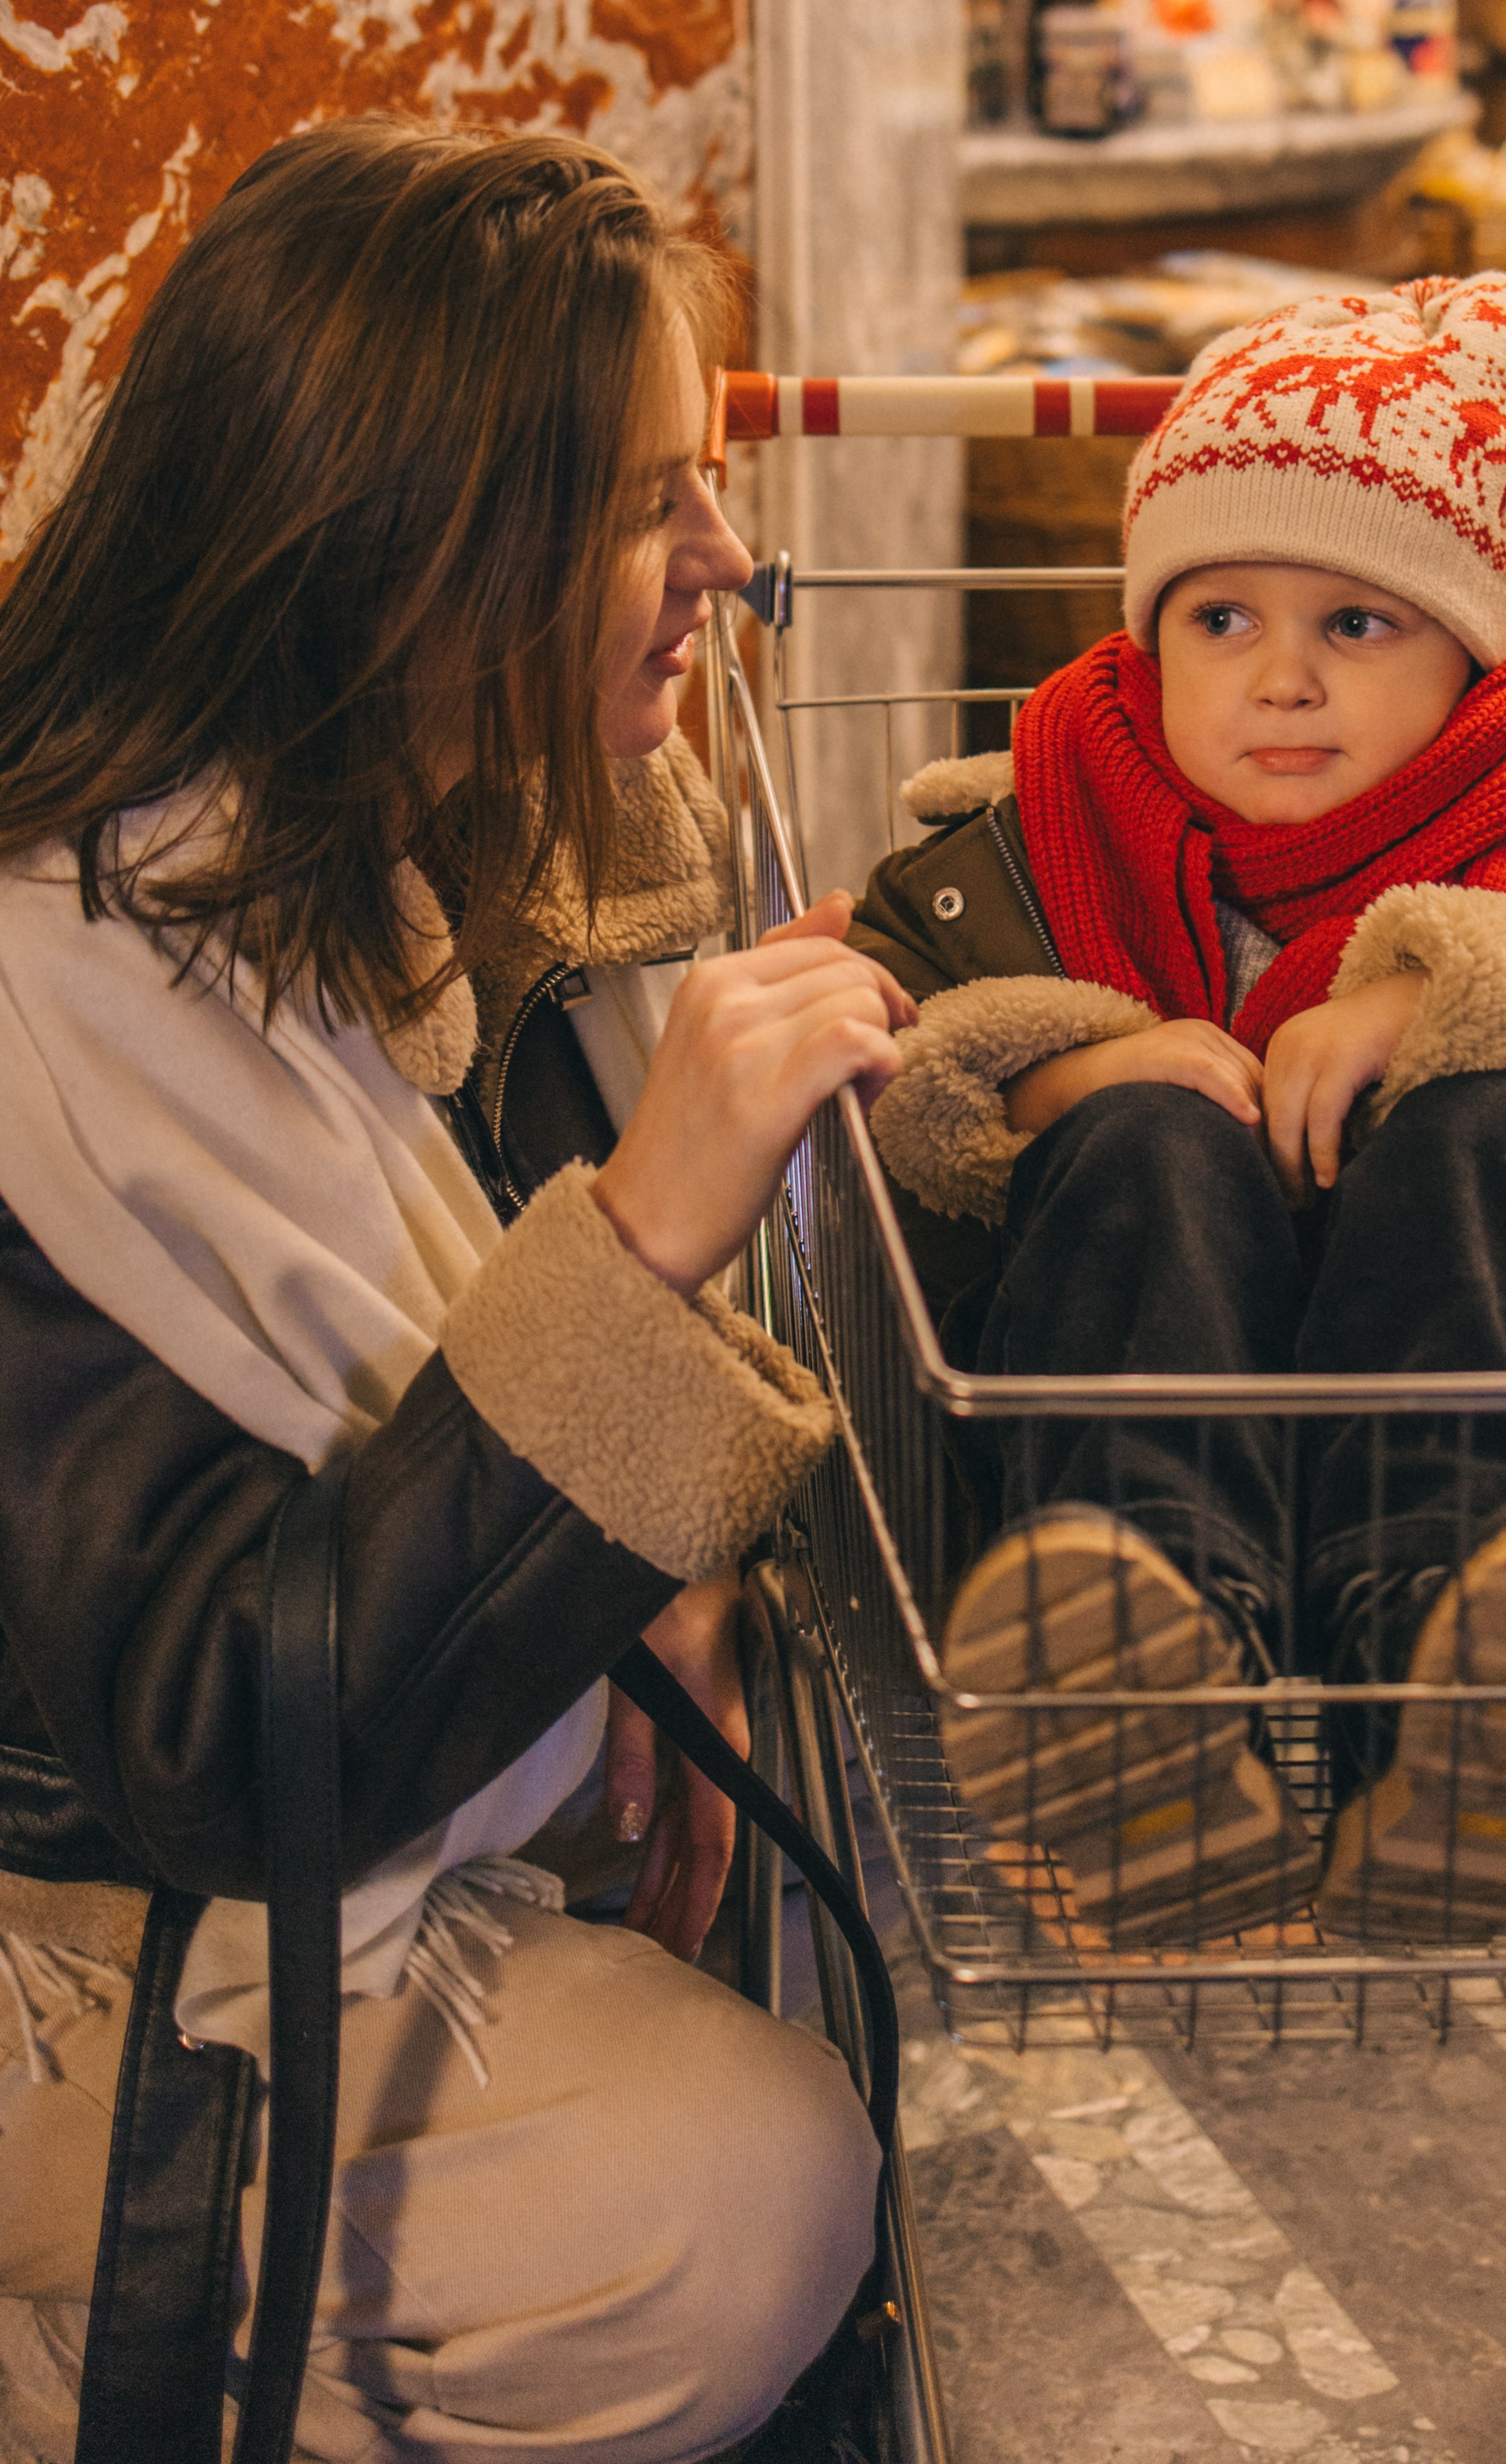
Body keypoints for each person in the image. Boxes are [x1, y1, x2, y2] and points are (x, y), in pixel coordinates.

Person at [0, 118, 918, 2463]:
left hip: (294, 1871)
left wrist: (662, 1580)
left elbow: (431, 1388)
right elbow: (219, 1741)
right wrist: (650, 1227)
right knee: (750, 2189)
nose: (718, 561)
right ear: (406, 547)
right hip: (88, 1933)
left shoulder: (349, 875)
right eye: (640, 503)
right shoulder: (46, 1015)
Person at [849, 272, 1506, 1951]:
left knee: (1489, 1128)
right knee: (1148, 1142)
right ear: (1151, 636)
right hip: (1133, 1464)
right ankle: (1142, 1707)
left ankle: (1463, 1710)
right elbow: (874, 1068)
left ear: (1474, 653)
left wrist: (1466, 991)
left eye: (1356, 623)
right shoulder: (1010, 851)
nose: (1280, 680)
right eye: (1224, 619)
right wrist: (1052, 1072)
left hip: (1498, 1459)